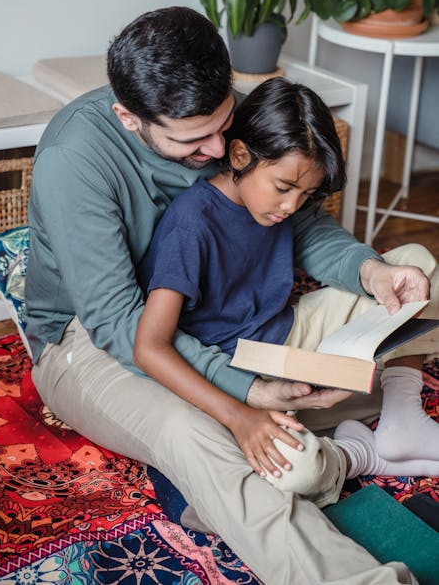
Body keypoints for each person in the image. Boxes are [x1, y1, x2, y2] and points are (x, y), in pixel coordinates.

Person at [25, 5, 438, 585]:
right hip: (90, 342)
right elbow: (123, 327)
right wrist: (244, 395)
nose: (221, 150)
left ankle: (387, 424)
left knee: (411, 272)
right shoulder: (77, 160)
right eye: (195, 140)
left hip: (229, 322)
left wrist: (369, 273)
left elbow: (296, 223)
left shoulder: (224, 117)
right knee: (196, 431)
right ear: (129, 117)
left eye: (226, 125)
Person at [134, 77, 439, 485]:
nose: (291, 206)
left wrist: (377, 272)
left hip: (291, 335)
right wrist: (240, 415)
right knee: (295, 470)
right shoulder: (191, 225)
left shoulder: (279, 206)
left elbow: (324, 244)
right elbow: (149, 346)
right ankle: (355, 455)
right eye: (284, 188)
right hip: (237, 374)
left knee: (415, 264)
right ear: (240, 154)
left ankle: (402, 419)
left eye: (304, 195)